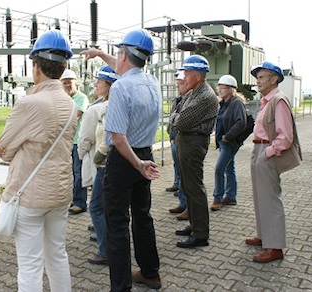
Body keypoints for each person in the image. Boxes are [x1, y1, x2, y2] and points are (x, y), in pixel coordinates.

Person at [0, 30, 76, 291]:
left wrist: (4, 147)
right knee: (57, 255)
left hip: (30, 196)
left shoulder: (28, 103)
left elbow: (5, 150)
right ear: (63, 67)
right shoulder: (72, 103)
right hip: (61, 193)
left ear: (36, 65)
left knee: (29, 264)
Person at [81, 28, 162, 291]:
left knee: (116, 223)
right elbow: (123, 68)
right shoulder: (152, 82)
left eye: (118, 52)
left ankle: (121, 286)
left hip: (125, 160)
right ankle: (150, 273)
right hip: (145, 153)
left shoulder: (120, 89)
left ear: (124, 54)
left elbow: (117, 137)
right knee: (142, 216)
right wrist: (99, 54)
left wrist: (136, 164)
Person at [246, 61, 302, 263]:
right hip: (259, 148)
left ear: (274, 78)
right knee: (261, 197)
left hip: (267, 150)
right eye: (257, 77)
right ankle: (264, 237)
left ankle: (275, 247)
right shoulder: (267, 101)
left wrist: (268, 152)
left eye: (262, 77)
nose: (258, 81)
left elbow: (285, 136)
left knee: (270, 199)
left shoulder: (278, 100)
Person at [170, 54, 218, 249]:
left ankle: (200, 234)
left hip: (194, 142)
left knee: (194, 187)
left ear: (198, 76)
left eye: (187, 73)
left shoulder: (205, 96)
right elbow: (176, 110)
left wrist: (175, 117)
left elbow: (180, 120)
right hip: (187, 140)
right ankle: (194, 224)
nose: (184, 77)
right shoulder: (193, 92)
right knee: (188, 186)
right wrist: (176, 115)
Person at [78, 65, 119, 265]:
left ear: (109, 85)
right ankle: (106, 239)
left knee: (95, 207)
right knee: (107, 206)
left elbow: (84, 139)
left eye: (99, 81)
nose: (95, 84)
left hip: (103, 164)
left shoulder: (96, 109)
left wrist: (87, 157)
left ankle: (105, 250)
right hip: (115, 164)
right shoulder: (116, 105)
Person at [210, 75, 247, 211]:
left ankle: (217, 198)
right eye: (219, 88)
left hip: (229, 142)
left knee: (219, 169)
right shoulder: (223, 103)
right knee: (229, 168)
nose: (220, 90)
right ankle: (231, 196)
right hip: (222, 141)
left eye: (223, 88)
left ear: (231, 89)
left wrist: (228, 136)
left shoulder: (236, 103)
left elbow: (241, 122)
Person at [61, 69, 90, 215]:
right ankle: (73, 198)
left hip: (78, 141)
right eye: (64, 82)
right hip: (67, 142)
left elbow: (73, 117)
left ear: (76, 83)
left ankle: (80, 202)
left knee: (79, 173)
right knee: (70, 173)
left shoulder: (81, 98)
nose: (67, 85)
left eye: (69, 82)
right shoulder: (64, 99)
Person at [167, 70, 189, 221]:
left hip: (185, 142)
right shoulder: (177, 100)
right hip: (175, 139)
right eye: (177, 84)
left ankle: (188, 207)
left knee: (187, 176)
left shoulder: (190, 100)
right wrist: (170, 136)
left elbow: (180, 120)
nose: (178, 87)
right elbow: (171, 119)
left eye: (181, 84)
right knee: (179, 171)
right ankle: (182, 203)